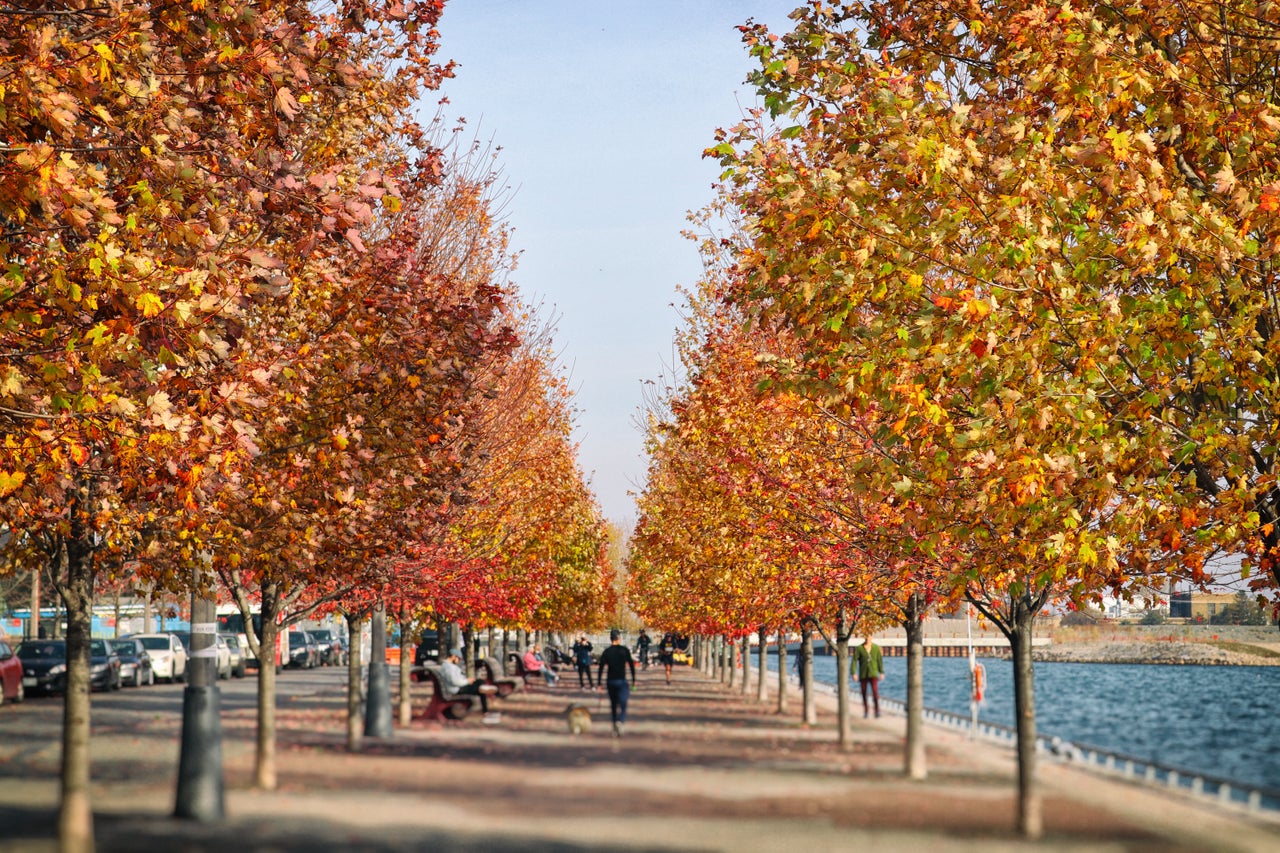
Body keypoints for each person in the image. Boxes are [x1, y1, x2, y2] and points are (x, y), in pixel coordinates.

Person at [440, 648, 500, 724]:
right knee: (480, 688)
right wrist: (467, 681)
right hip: (456, 689)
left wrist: (468, 680)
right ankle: (487, 704)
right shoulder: (448, 668)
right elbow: (455, 682)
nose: (458, 661)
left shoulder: (448, 666)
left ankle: (486, 692)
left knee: (479, 683)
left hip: (457, 687)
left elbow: (456, 679)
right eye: (458, 658)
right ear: (453, 656)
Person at [596, 628, 637, 737]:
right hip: (621, 681)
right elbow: (632, 666)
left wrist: (599, 683)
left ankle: (615, 724)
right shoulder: (624, 650)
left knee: (613, 704)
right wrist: (633, 681)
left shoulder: (607, 652)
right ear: (619, 638)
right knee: (623, 703)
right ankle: (620, 721)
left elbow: (601, 668)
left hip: (610, 681)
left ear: (610, 639)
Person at [852, 635, 885, 718]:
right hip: (863, 674)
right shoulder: (859, 648)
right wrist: (853, 673)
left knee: (875, 692)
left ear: (872, 637)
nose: (868, 638)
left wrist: (881, 672)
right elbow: (854, 661)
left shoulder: (876, 648)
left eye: (869, 636)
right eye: (866, 637)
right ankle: (866, 711)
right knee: (864, 693)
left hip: (873, 673)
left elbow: (879, 660)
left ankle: (877, 710)